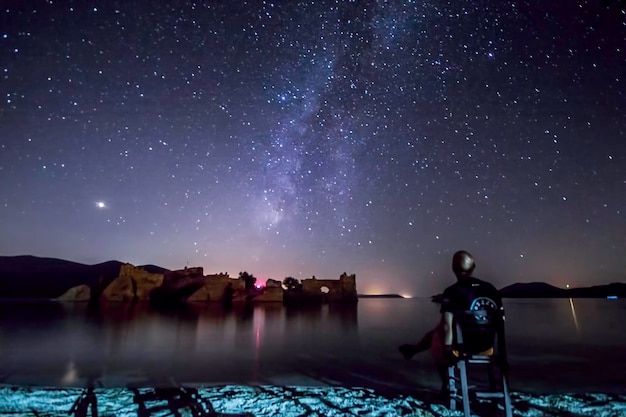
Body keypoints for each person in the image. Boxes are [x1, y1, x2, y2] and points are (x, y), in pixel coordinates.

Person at [398, 250, 503, 392]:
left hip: (463, 348)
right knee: (438, 331)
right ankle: (413, 350)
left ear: (453, 268)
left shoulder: (452, 291)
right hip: (488, 347)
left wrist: (446, 351)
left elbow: (447, 326)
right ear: (474, 266)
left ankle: (447, 385)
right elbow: (501, 321)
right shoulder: (491, 289)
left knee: (438, 339)